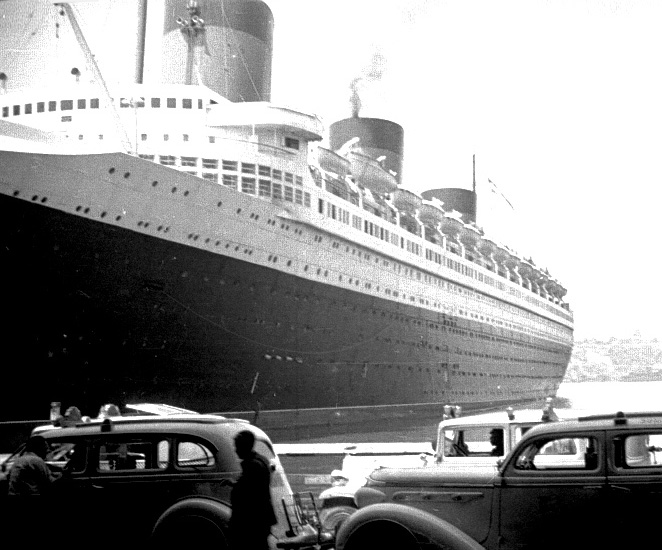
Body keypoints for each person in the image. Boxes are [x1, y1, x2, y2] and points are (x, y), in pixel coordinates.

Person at [229, 430, 277, 550]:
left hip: (252, 521)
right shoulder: (261, 460)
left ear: (243, 447)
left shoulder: (252, 466)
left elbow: (248, 496)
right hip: (261, 518)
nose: (235, 450)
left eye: (237, 446)